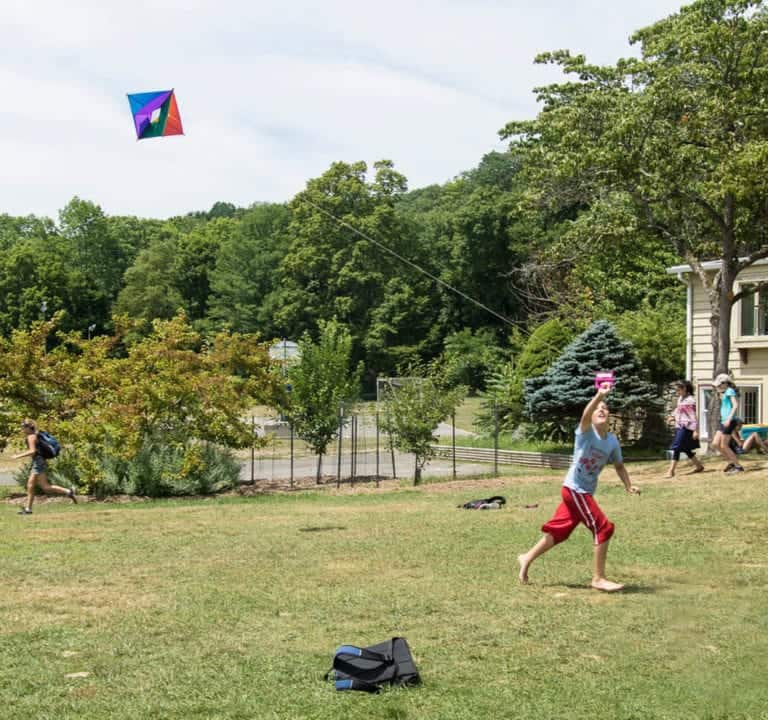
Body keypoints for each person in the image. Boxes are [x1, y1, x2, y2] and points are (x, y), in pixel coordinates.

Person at [517, 384, 640, 593]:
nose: (601, 410)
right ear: (591, 415)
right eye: (597, 408)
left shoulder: (611, 442)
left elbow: (619, 465)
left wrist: (628, 485)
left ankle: (526, 558)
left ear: (610, 416)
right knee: (603, 528)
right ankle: (598, 578)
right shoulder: (585, 433)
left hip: (584, 492)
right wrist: (599, 395)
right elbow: (585, 414)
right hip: (574, 489)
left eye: (605, 408)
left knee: (560, 531)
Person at [13, 419, 76, 515]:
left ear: (28, 428)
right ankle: (68, 491)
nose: (22, 429)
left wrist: (17, 456)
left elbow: (32, 451)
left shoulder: (31, 437)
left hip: (38, 461)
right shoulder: (37, 434)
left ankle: (28, 509)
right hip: (40, 460)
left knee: (30, 485)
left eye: (23, 427)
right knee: (45, 486)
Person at [665, 380, 704, 478]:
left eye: (678, 390)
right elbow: (678, 410)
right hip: (679, 426)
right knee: (686, 449)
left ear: (684, 389)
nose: (677, 392)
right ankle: (699, 466)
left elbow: (693, 416)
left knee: (676, 447)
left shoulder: (690, 400)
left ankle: (671, 471)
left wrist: (696, 430)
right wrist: (672, 416)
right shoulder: (681, 399)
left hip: (687, 427)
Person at [711, 374, 743, 474]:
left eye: (720, 385)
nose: (718, 387)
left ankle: (738, 467)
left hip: (729, 421)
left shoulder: (729, 391)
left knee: (724, 445)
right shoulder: (723, 392)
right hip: (723, 421)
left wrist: (729, 418)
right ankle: (731, 463)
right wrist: (719, 391)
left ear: (725, 383)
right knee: (715, 444)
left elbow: (735, 405)